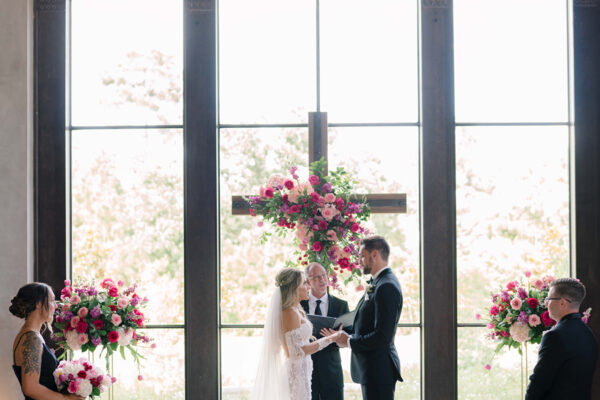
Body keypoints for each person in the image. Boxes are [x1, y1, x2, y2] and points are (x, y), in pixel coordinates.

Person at [326, 236, 403, 400]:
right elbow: (366, 321)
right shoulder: (380, 282)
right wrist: (342, 330)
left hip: (379, 370)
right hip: (373, 369)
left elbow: (382, 335)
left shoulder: (386, 286)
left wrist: (348, 341)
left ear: (374, 255)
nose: (359, 261)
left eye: (362, 256)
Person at [251, 268, 343, 400]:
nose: (308, 286)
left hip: (303, 371)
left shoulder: (297, 309)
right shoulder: (289, 313)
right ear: (294, 288)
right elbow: (297, 351)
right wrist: (331, 338)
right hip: (296, 374)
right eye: (305, 283)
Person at [525, 277, 598, 400]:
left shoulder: (555, 336)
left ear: (562, 302)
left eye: (549, 299)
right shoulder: (588, 334)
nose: (546, 303)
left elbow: (538, 384)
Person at [10, 282, 84, 400]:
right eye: (52, 300)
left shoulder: (29, 335)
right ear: (39, 304)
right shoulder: (31, 338)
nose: (55, 306)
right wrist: (66, 399)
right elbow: (30, 388)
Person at [300, 262, 349, 400]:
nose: (322, 280)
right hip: (305, 371)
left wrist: (337, 337)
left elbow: (350, 338)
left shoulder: (341, 305)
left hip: (332, 372)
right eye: (316, 277)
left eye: (324, 275)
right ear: (307, 281)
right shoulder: (298, 304)